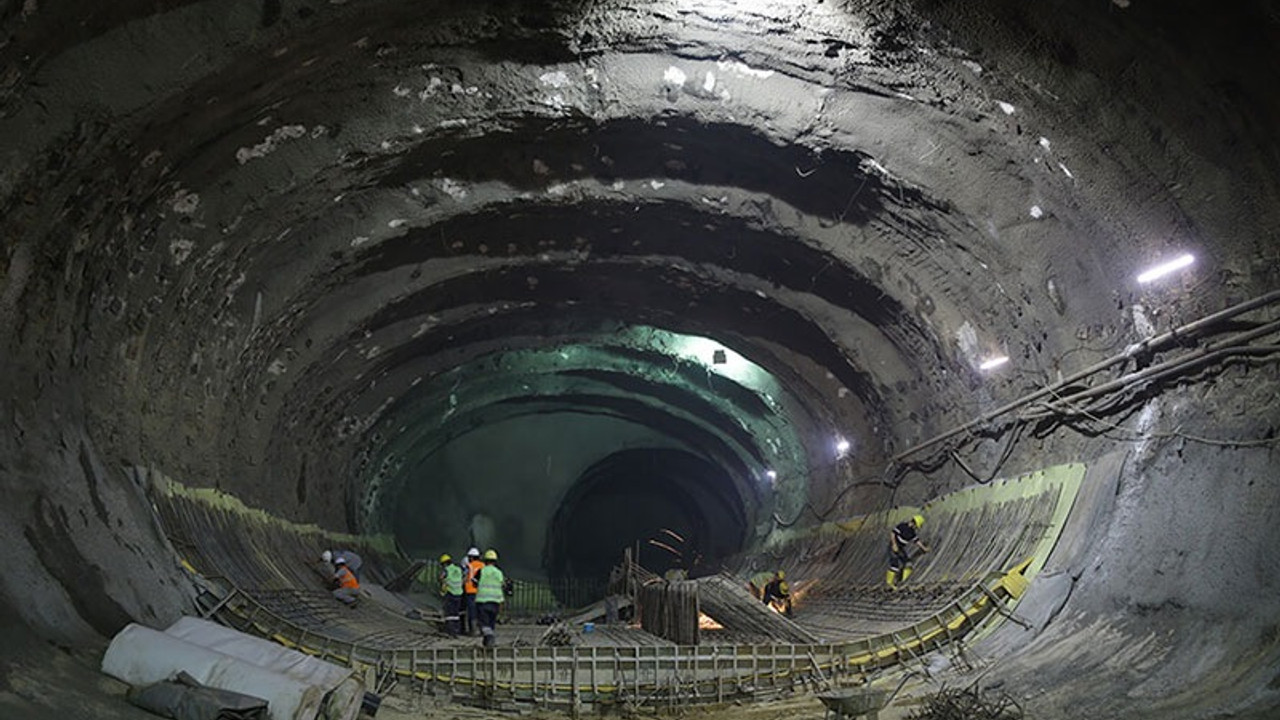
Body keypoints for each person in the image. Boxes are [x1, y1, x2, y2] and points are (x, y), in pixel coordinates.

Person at [886, 514, 929, 589]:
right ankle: (889, 584)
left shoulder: (912, 532)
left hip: (900, 548)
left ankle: (902, 582)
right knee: (894, 565)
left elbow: (917, 541)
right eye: (916, 526)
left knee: (908, 564)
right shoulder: (902, 526)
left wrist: (924, 548)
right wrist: (894, 544)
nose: (916, 528)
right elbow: (893, 533)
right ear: (914, 523)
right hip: (894, 546)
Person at [473, 549, 506, 648]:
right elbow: (502, 585)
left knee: (483, 623)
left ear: (485, 561)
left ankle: (490, 638)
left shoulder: (481, 571)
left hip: (482, 601)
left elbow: (474, 582)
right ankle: (487, 642)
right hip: (495, 602)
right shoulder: (499, 573)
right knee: (491, 623)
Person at [438, 554, 464, 636]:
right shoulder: (458, 569)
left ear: (444, 563)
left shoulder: (446, 570)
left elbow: (441, 578)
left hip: (450, 593)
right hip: (459, 593)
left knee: (449, 613)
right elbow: (464, 578)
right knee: (456, 613)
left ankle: (450, 630)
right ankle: (457, 629)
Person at [463, 547, 483, 636]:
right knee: (481, 611)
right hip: (481, 592)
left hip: (470, 591)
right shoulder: (483, 565)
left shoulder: (469, 566)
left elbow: (464, 578)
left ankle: (474, 630)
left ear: (471, 557)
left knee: (472, 611)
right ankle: (482, 629)